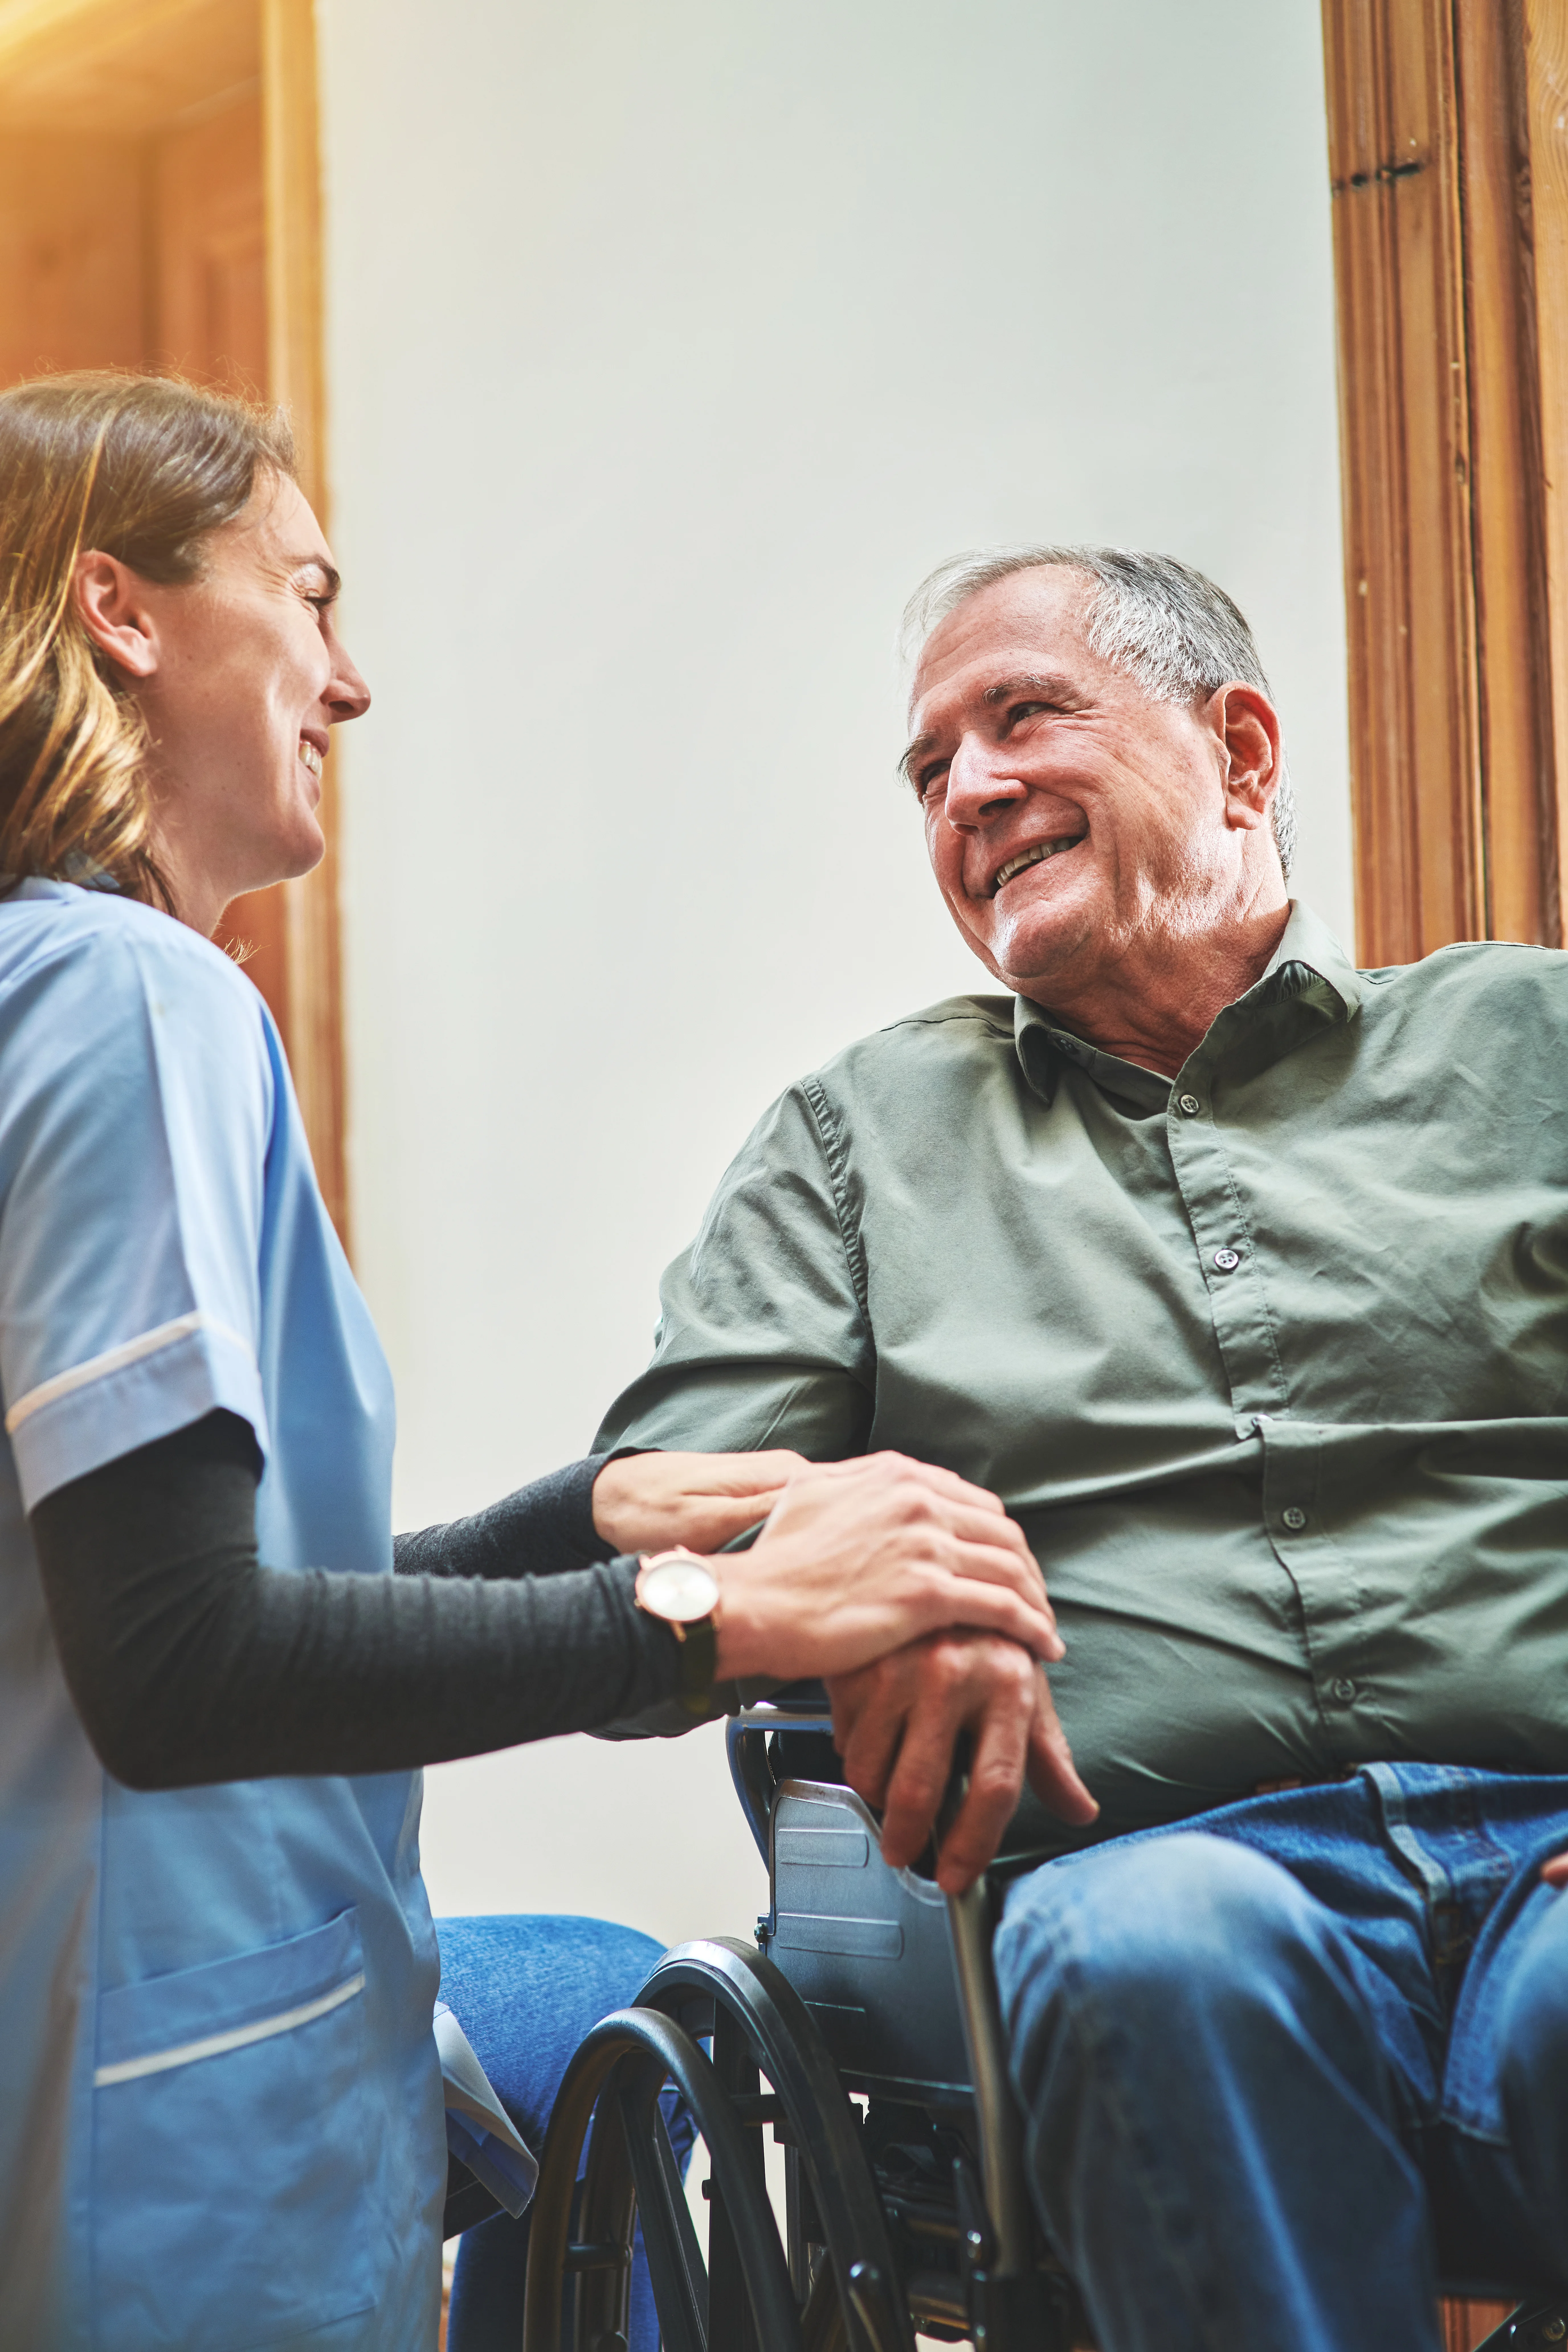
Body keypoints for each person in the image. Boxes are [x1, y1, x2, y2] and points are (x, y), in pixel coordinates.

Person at [0, 374, 1065, 2352]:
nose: (348, 679)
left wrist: (564, 1521)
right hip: (153, 2117)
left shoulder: (42, 989)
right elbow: (174, 1668)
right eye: (308, 597)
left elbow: (99, 1618)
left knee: (581, 1982)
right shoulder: (132, 997)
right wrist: (706, 1617)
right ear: (120, 614)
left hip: (109, 2004)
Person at [595, 544, 1568, 2351]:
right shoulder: (858, 1145)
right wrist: (888, 1558)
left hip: (1553, 1842)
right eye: (930, 772)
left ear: (1245, 749)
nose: (969, 789)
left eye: (1023, 715)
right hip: (1179, 1867)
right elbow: (653, 1535)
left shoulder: (1529, 1045)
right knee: (1153, 1962)